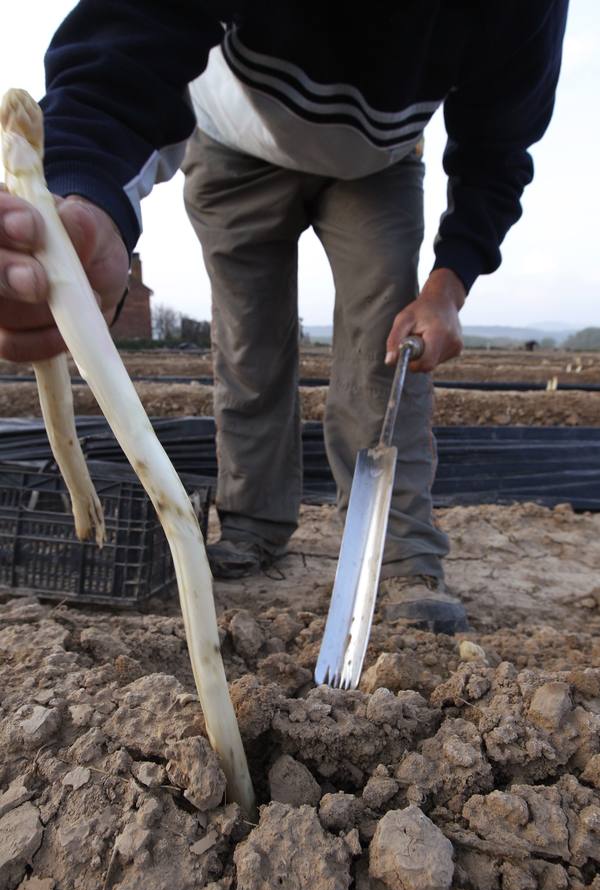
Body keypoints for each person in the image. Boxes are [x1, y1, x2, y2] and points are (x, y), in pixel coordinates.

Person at [0, 2, 568, 634]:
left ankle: (403, 552)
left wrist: (447, 285)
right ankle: (252, 526)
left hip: (376, 164)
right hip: (232, 140)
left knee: (386, 352)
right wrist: (88, 191)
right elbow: (138, 29)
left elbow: (499, 141)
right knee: (248, 349)